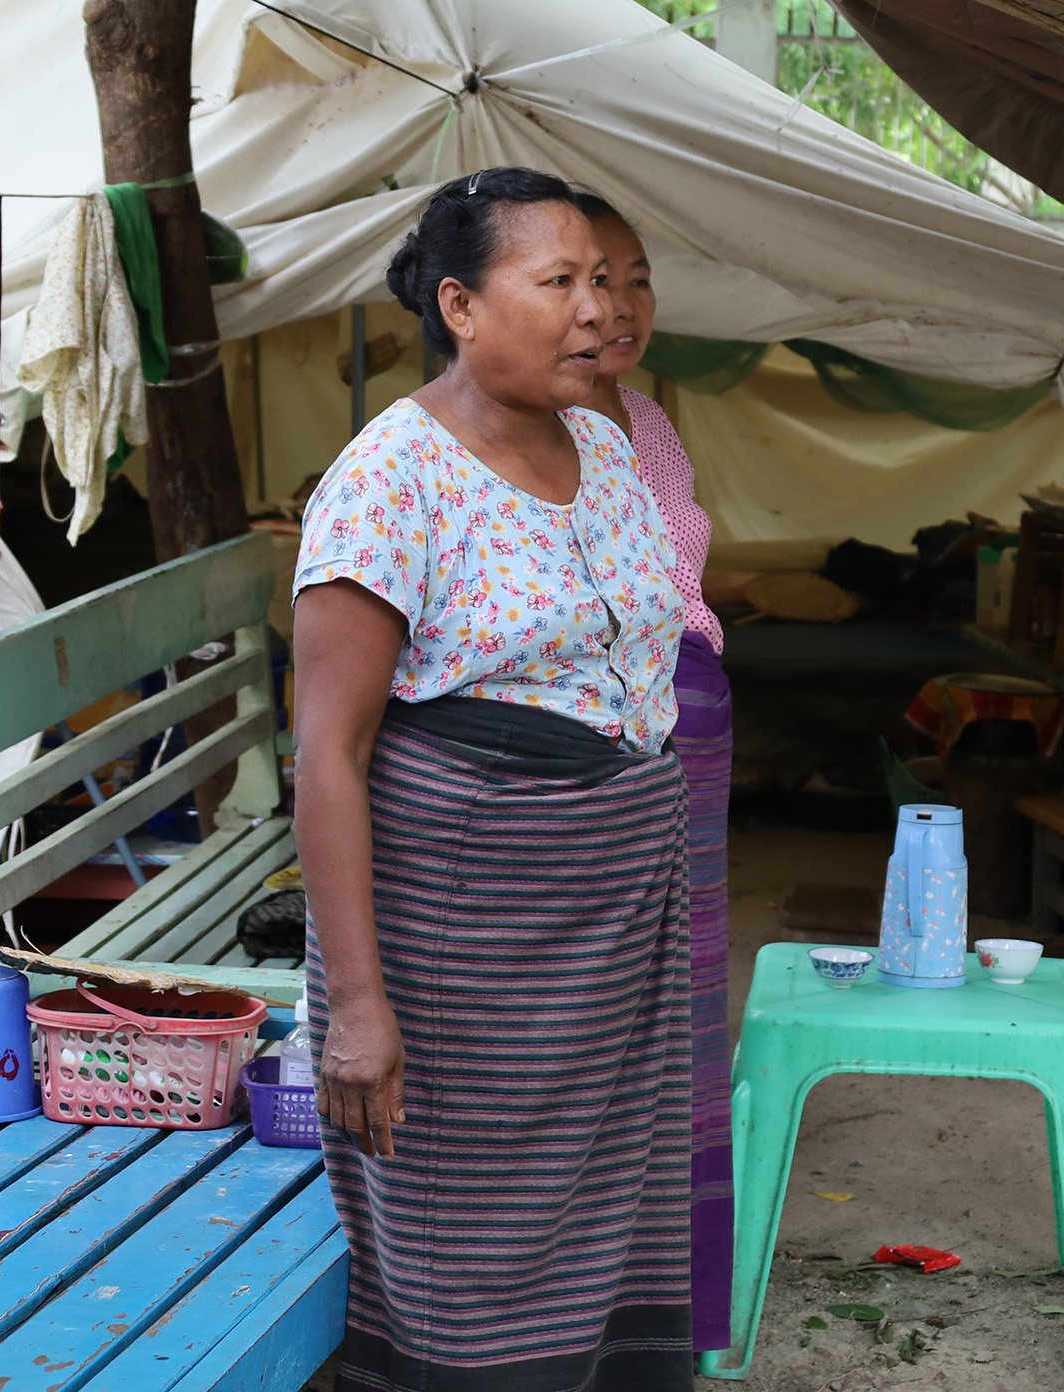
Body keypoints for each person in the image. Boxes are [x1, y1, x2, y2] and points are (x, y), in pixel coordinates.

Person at [291, 167, 695, 1392]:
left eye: (603, 280)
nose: (597, 309)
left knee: (606, 1191)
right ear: (460, 305)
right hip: (469, 929)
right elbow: (326, 751)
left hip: (612, 915)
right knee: (463, 1218)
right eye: (559, 280)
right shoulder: (391, 478)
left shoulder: (607, 446)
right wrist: (358, 1005)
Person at [571, 190, 738, 1356]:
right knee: (591, 1010)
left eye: (635, 278)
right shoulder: (489, 432)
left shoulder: (647, 417)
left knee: (680, 1005)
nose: (619, 305)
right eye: (587, 279)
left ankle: (671, 1307)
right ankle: (576, 1298)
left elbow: (679, 582)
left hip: (691, 719)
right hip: (600, 741)